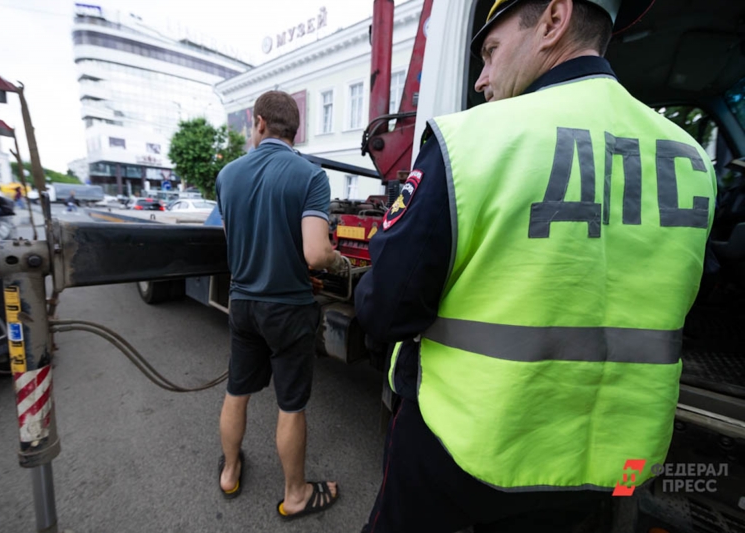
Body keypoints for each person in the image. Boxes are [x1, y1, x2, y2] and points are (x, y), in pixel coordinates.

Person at [356, 0, 717, 532]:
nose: (481, 80)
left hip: (470, 454)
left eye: (491, 52)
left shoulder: (473, 139)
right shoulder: (692, 158)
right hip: (615, 464)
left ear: (553, 20)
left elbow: (385, 308)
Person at [215, 90, 349, 520]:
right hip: (288, 308)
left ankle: (230, 472)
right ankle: (294, 494)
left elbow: (233, 236)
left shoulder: (227, 175)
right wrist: (339, 260)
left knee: (238, 391)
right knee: (290, 404)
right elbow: (315, 253)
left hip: (242, 303)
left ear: (258, 123)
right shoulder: (309, 175)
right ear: (296, 131)